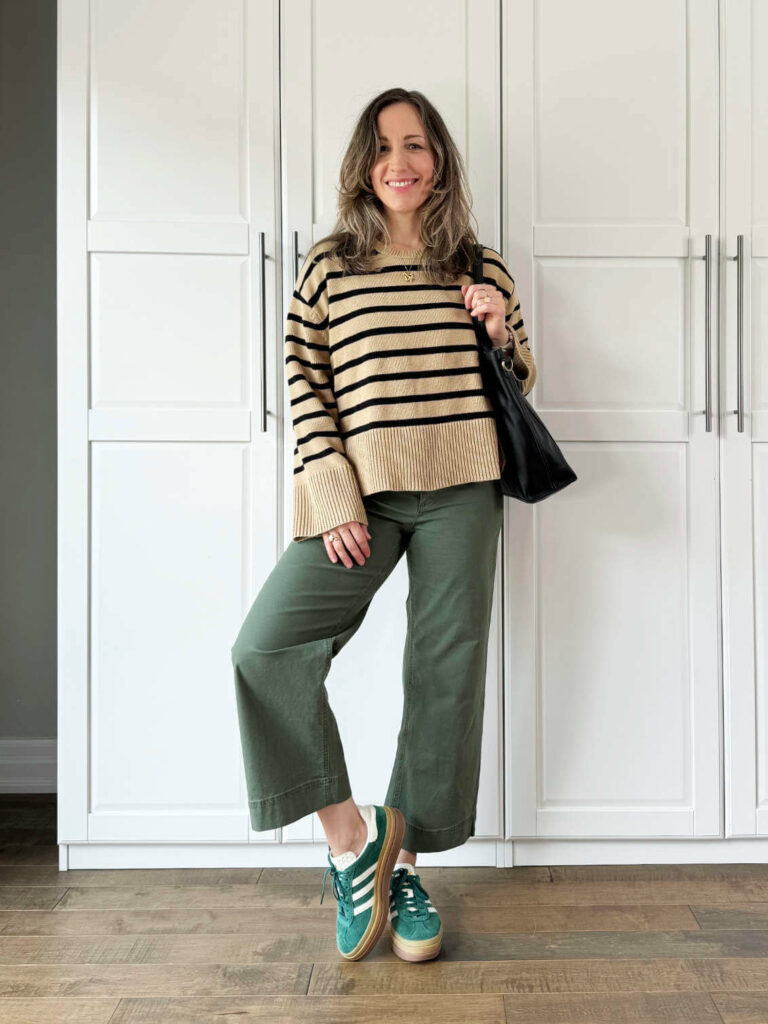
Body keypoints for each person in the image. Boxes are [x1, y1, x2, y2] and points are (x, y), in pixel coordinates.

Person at [230, 87, 536, 963]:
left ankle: (403, 874)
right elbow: (305, 384)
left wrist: (499, 326)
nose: (400, 162)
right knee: (265, 650)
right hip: (359, 497)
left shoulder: (479, 264)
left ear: (439, 159)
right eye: (384, 146)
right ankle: (350, 842)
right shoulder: (329, 267)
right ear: (364, 164)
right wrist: (331, 494)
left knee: (445, 674)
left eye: (417, 145)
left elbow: (518, 385)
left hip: (462, 490)